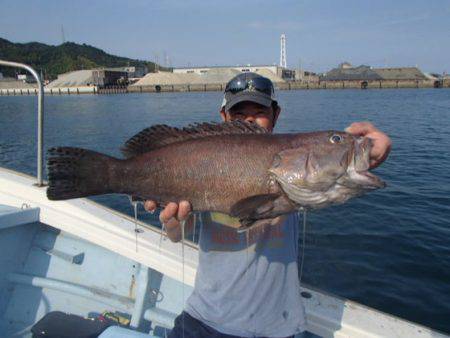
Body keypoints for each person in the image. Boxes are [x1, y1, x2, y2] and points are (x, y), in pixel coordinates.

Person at [144, 72, 392, 338]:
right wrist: (174, 221)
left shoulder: (295, 170)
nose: (250, 119)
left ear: (276, 115)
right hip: (205, 321)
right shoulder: (207, 156)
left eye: (259, 111)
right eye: (239, 113)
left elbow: (329, 176)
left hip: (276, 329)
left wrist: (364, 148)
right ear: (224, 117)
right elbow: (177, 235)